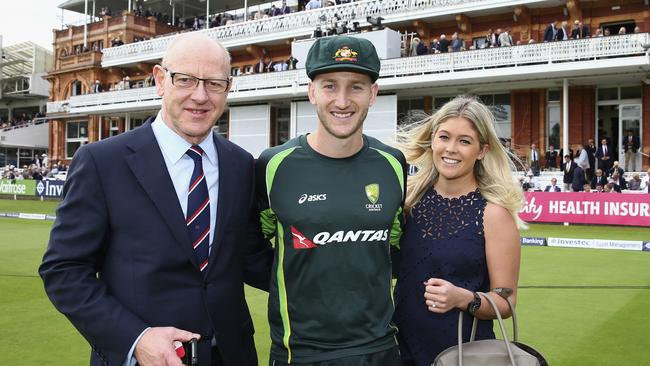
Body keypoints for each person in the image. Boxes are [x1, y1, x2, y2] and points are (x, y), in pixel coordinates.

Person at [39, 33, 274, 366]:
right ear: (160, 80)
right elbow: (63, 270)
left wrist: (333, 270)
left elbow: (248, 256)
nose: (200, 96)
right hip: (144, 358)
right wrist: (136, 339)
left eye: (214, 83)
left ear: (229, 87)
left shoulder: (241, 164)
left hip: (232, 355)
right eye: (186, 80)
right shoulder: (102, 162)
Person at [256, 36, 406, 365]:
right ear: (311, 92)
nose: (342, 100)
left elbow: (394, 249)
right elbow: (253, 249)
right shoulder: (273, 165)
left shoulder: (394, 165)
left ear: (373, 94)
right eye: (329, 86)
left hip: (379, 349)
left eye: (356, 87)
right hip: (301, 352)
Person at [394, 95, 523, 365]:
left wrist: (463, 298)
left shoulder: (494, 215)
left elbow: (506, 302)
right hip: (399, 350)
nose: (451, 148)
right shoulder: (408, 202)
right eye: (444, 137)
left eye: (464, 141)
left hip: (462, 354)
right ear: (432, 140)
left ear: (482, 150)